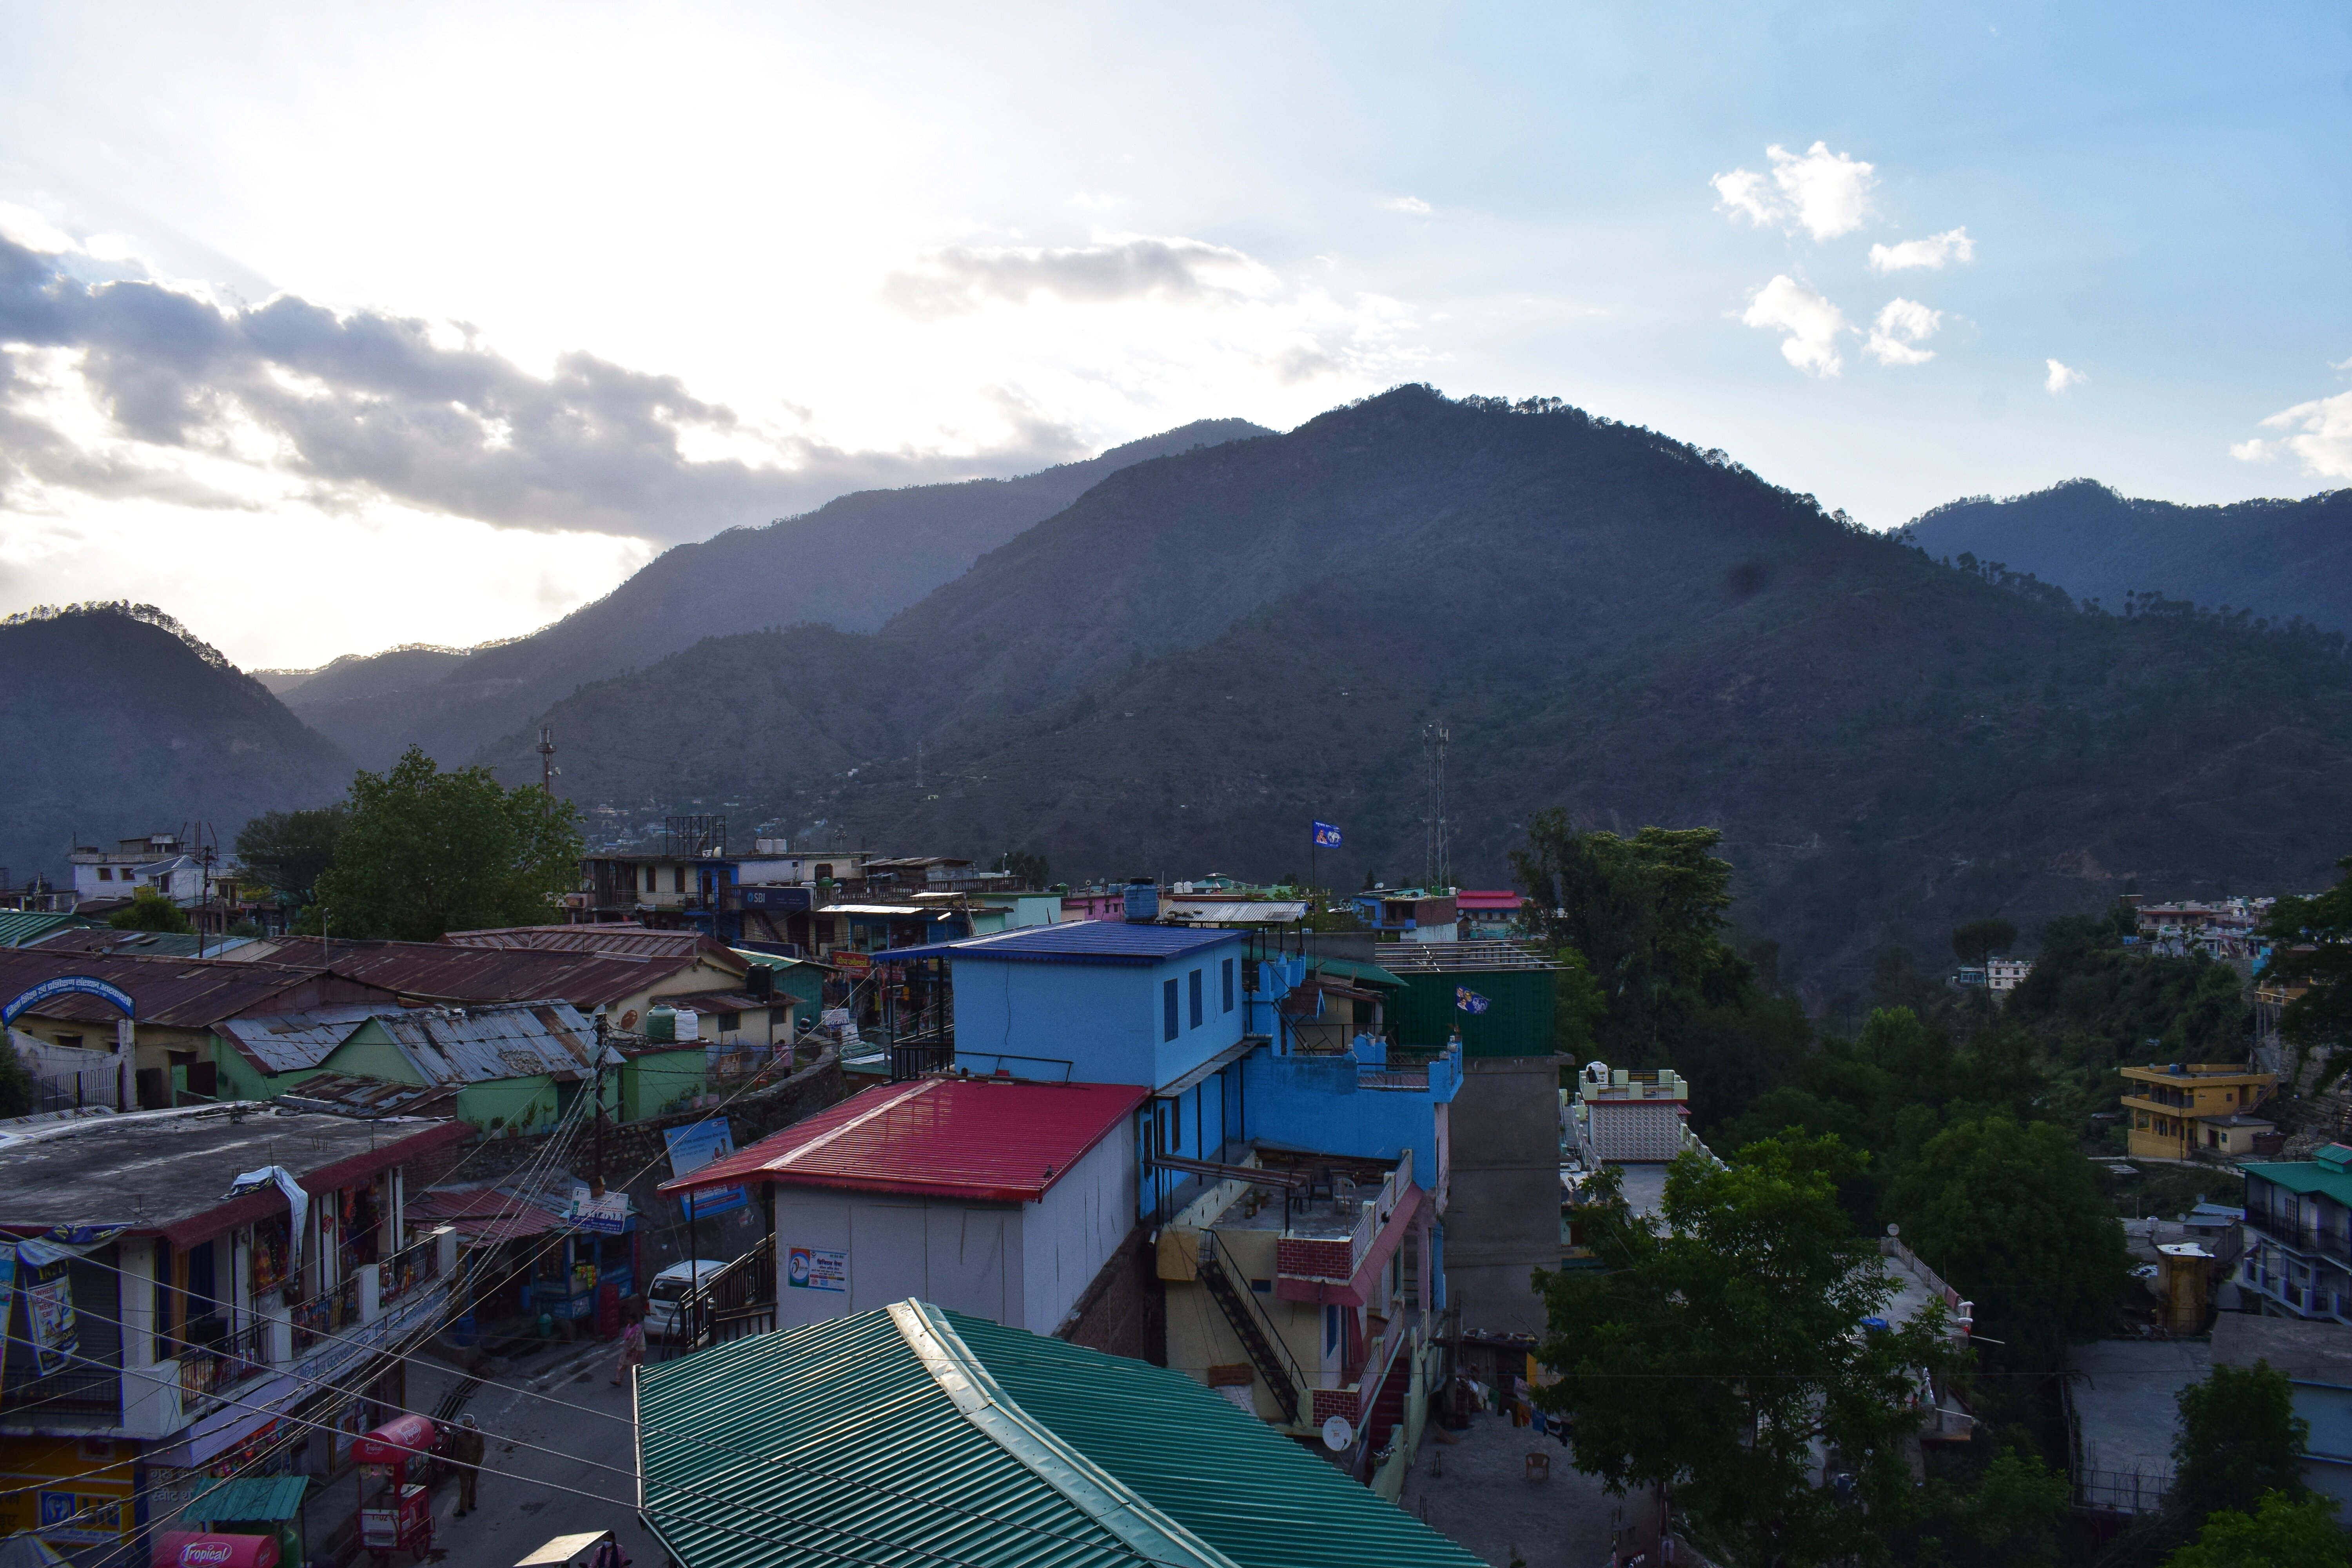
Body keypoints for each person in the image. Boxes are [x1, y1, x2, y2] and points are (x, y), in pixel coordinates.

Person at [447, 1413, 484, 1517]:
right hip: (463, 1466)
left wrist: (478, 1464)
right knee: (464, 1488)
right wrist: (456, 1464)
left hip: (474, 1466)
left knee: (473, 1485)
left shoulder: (478, 1436)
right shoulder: (460, 1438)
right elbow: (456, 1452)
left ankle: (472, 1502)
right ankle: (463, 1509)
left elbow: (481, 1450)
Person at [612, 1310, 646, 1387]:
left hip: (636, 1349)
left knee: (634, 1365)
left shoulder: (638, 1329)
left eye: (630, 1320)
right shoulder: (629, 1327)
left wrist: (631, 1350)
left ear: (634, 1320)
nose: (629, 1321)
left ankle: (636, 1379)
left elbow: (637, 1341)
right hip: (628, 1349)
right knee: (622, 1364)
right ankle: (618, 1380)